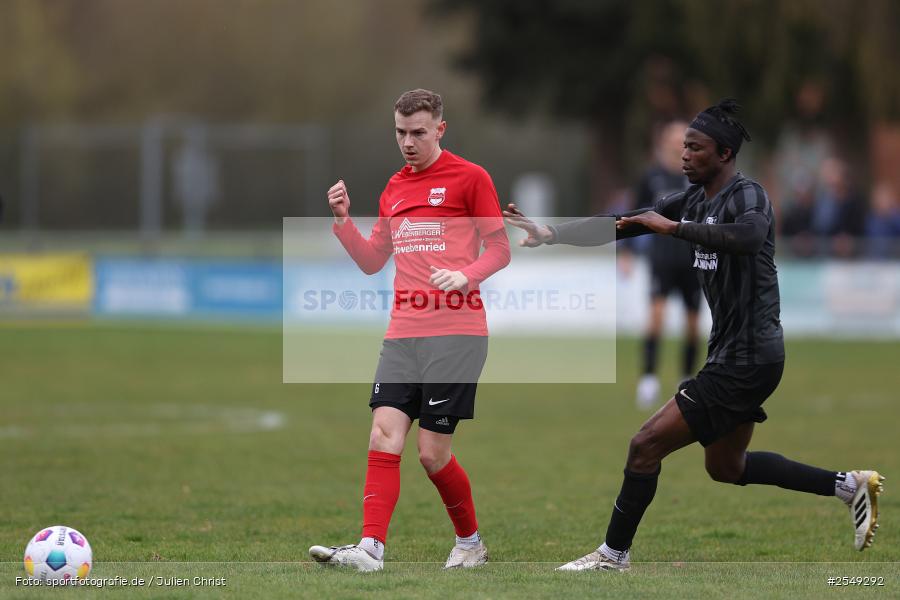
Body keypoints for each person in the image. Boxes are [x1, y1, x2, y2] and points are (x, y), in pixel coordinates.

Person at [504, 99, 883, 571]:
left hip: (748, 358)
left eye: (695, 147)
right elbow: (629, 222)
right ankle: (848, 486)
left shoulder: (749, 196)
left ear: (724, 154)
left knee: (644, 446)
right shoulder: (692, 199)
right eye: (683, 146)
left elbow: (747, 237)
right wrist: (551, 235)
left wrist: (677, 229)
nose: (684, 155)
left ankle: (612, 556)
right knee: (727, 468)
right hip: (734, 353)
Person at [309, 89, 510, 572]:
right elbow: (373, 261)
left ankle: (470, 542)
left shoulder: (470, 178)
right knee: (383, 433)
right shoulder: (394, 188)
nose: (408, 142)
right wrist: (342, 223)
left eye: (418, 132)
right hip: (403, 332)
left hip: (457, 333)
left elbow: (500, 248)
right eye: (400, 132)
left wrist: (467, 275)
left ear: (440, 129)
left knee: (432, 454)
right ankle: (370, 549)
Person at [624, 120, 700, 409]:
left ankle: (687, 380)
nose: (676, 145)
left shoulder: (696, 177)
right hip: (661, 259)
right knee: (656, 317)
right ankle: (648, 379)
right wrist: (627, 251)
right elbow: (634, 216)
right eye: (672, 139)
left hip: (693, 259)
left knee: (693, 324)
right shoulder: (651, 177)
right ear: (663, 142)